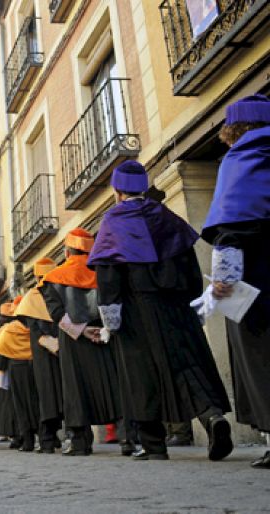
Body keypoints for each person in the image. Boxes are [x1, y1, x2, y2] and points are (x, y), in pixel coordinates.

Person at [89, 160, 233, 462]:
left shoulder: (114, 222)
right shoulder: (166, 217)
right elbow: (191, 268)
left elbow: (108, 276)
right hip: (176, 306)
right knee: (187, 364)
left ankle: (154, 446)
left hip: (135, 311)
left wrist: (110, 320)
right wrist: (191, 302)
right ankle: (212, 416)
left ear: (117, 191)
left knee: (141, 375)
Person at [195, 94, 270, 468]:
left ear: (233, 129)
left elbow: (234, 223)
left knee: (262, 356)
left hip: (259, 282)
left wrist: (222, 280)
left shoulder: (243, 157)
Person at [40, 229, 127, 457]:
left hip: (73, 340)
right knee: (114, 384)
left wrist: (81, 331)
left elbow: (56, 313)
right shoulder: (102, 273)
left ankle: (79, 442)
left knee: (76, 389)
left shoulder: (52, 278)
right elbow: (113, 301)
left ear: (67, 251)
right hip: (105, 335)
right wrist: (105, 328)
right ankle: (128, 438)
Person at [15, 258, 64, 454]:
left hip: (43, 356)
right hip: (61, 351)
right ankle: (78, 438)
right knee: (66, 393)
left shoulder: (30, 298)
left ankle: (48, 441)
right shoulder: (61, 292)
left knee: (46, 397)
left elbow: (31, 326)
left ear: (36, 276)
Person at [0, 297, 41, 453]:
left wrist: (0, 372)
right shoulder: (35, 323)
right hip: (35, 366)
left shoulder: (10, 329)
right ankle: (44, 438)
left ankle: (27, 441)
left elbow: (0, 350)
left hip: (16, 367)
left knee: (21, 404)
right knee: (37, 401)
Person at [0, 304, 20, 448]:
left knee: (10, 406)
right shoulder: (23, 327)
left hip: (9, 372)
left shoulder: (4, 331)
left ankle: (15, 435)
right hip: (26, 368)